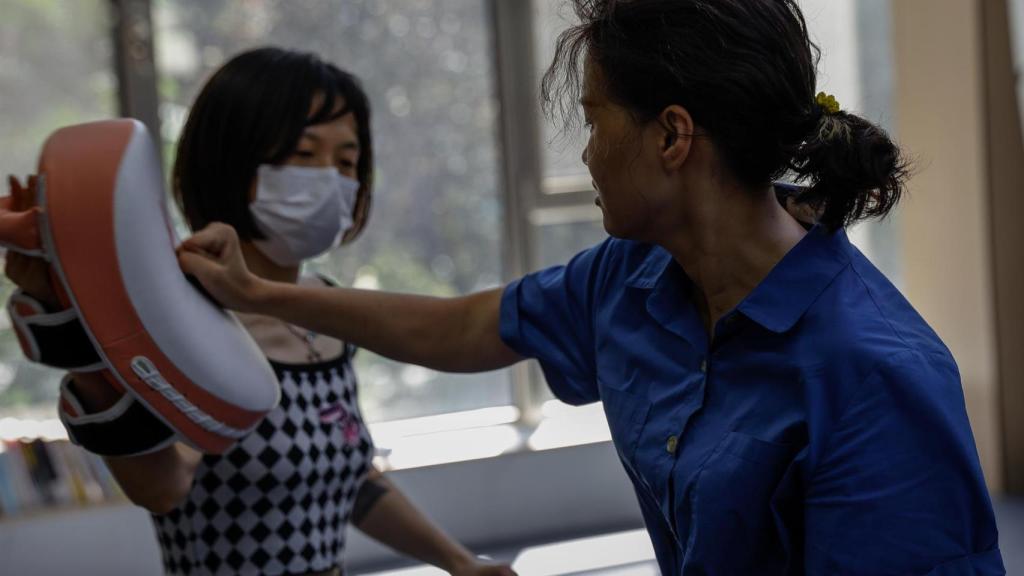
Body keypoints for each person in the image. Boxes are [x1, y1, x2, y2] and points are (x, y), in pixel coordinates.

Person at [178, 2, 1007, 574]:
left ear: (672, 136)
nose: (584, 153)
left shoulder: (874, 378)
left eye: (596, 118)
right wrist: (266, 295)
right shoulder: (635, 275)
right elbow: (465, 329)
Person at [5, 47, 515, 576]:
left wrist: (460, 563)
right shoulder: (182, 315)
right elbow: (160, 487)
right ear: (232, 158)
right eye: (302, 154)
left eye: (346, 162)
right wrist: (73, 329)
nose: (330, 181)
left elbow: (351, 480)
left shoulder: (326, 313)